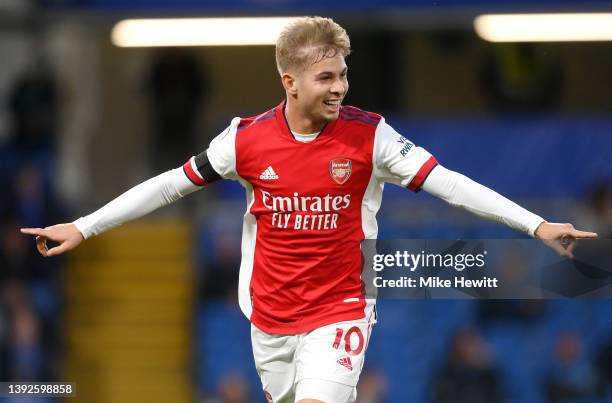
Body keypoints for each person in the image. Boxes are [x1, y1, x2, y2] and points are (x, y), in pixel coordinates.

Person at [20, 17, 597, 403]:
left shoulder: (370, 137)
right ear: (289, 81)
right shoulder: (244, 140)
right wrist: (85, 226)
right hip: (269, 316)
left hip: (342, 307)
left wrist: (535, 223)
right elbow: (172, 186)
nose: (340, 86)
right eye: (326, 77)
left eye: (343, 73)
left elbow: (449, 184)